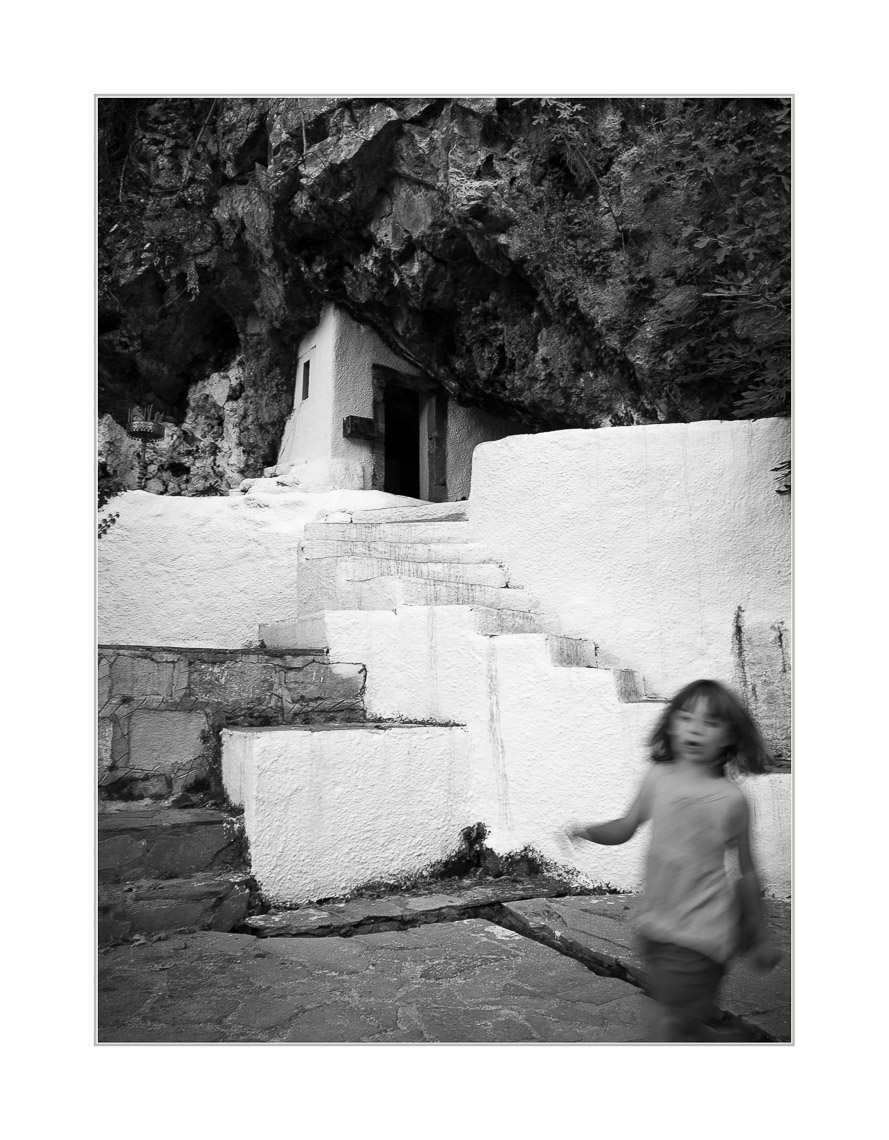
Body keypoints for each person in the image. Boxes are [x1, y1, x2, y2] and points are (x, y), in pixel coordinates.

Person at [565, 678, 782, 1042]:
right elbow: (626, 826)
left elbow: (746, 871)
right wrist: (589, 831)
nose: (695, 729)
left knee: (668, 1024)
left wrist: (759, 936)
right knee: (680, 1022)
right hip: (655, 925)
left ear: (731, 736)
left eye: (710, 723)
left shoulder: (730, 800)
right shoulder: (658, 777)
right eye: (686, 717)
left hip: (703, 930)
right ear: (670, 724)